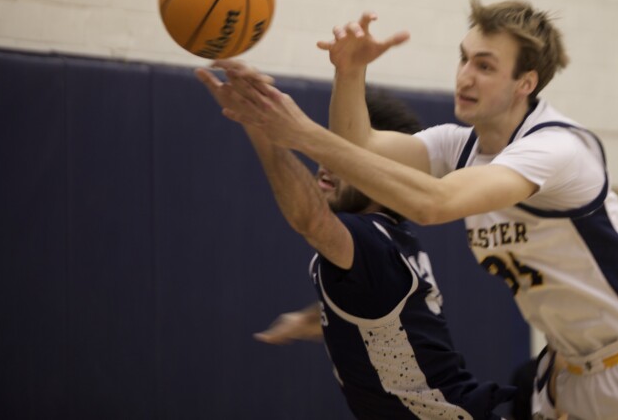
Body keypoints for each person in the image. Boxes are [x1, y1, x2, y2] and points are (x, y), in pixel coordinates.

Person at [199, 0, 618, 420]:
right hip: (570, 378)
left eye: (486, 66)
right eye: (464, 59)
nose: (465, 75)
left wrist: (296, 131)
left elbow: (434, 203)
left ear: (525, 83)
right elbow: (358, 151)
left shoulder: (557, 148)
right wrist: (350, 73)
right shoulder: (459, 144)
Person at [194, 75, 513, 419]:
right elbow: (382, 314)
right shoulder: (392, 240)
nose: (327, 164)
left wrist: (260, 128)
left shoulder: (370, 241)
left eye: (345, 157)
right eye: (328, 147)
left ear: (379, 173)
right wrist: (312, 319)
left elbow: (311, 220)